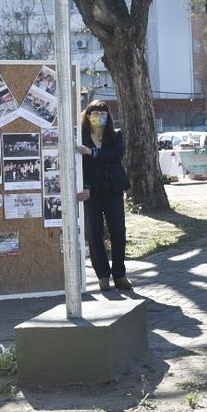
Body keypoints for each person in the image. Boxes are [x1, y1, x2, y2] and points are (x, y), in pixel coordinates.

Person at [77, 100, 132, 292]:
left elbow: (116, 155)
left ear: (108, 116)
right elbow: (82, 166)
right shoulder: (82, 137)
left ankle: (119, 274)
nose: (98, 117)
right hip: (92, 192)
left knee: (118, 231)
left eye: (103, 113)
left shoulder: (115, 136)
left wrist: (93, 152)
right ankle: (102, 275)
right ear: (88, 116)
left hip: (113, 190)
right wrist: (85, 186)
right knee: (94, 233)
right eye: (94, 113)